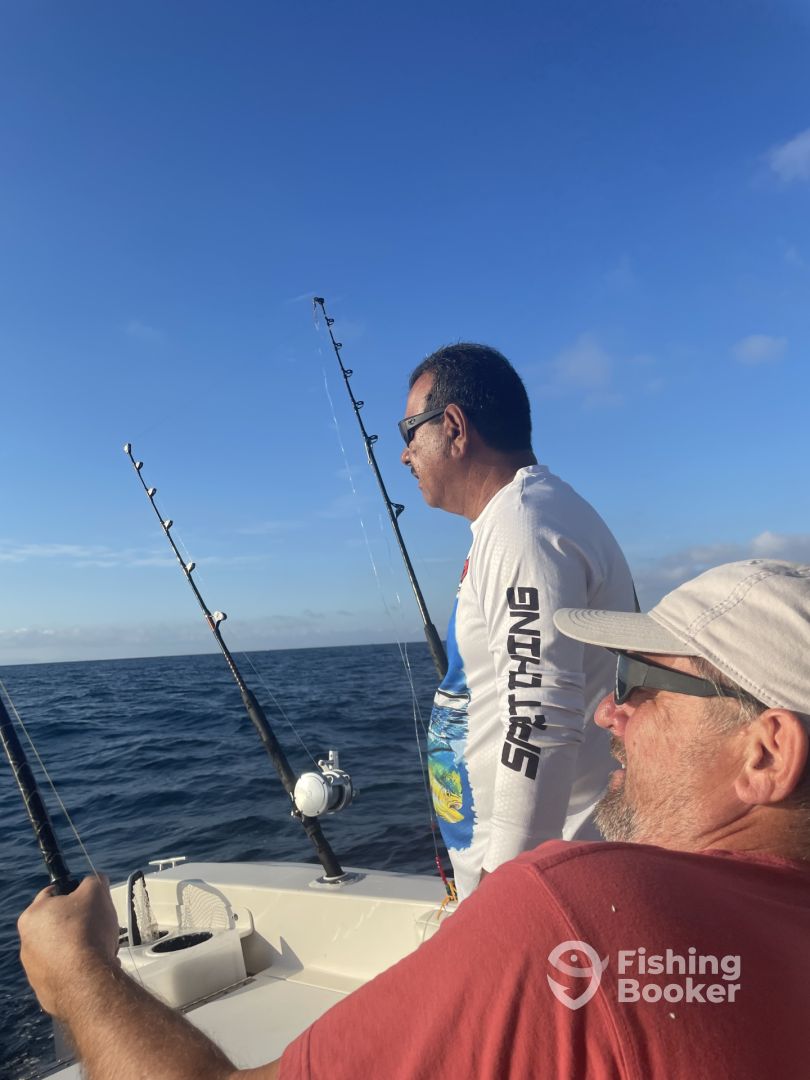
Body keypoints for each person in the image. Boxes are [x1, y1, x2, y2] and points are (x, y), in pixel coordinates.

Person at [19, 558, 810, 1078]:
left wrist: (80, 975)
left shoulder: (574, 911)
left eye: (640, 683)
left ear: (768, 752)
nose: (609, 711)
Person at [399, 343, 636, 896]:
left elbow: (538, 715)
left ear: (454, 427)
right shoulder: (519, 519)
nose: (405, 456)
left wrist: (506, 884)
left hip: (543, 884)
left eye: (409, 432)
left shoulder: (523, 525)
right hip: (530, 875)